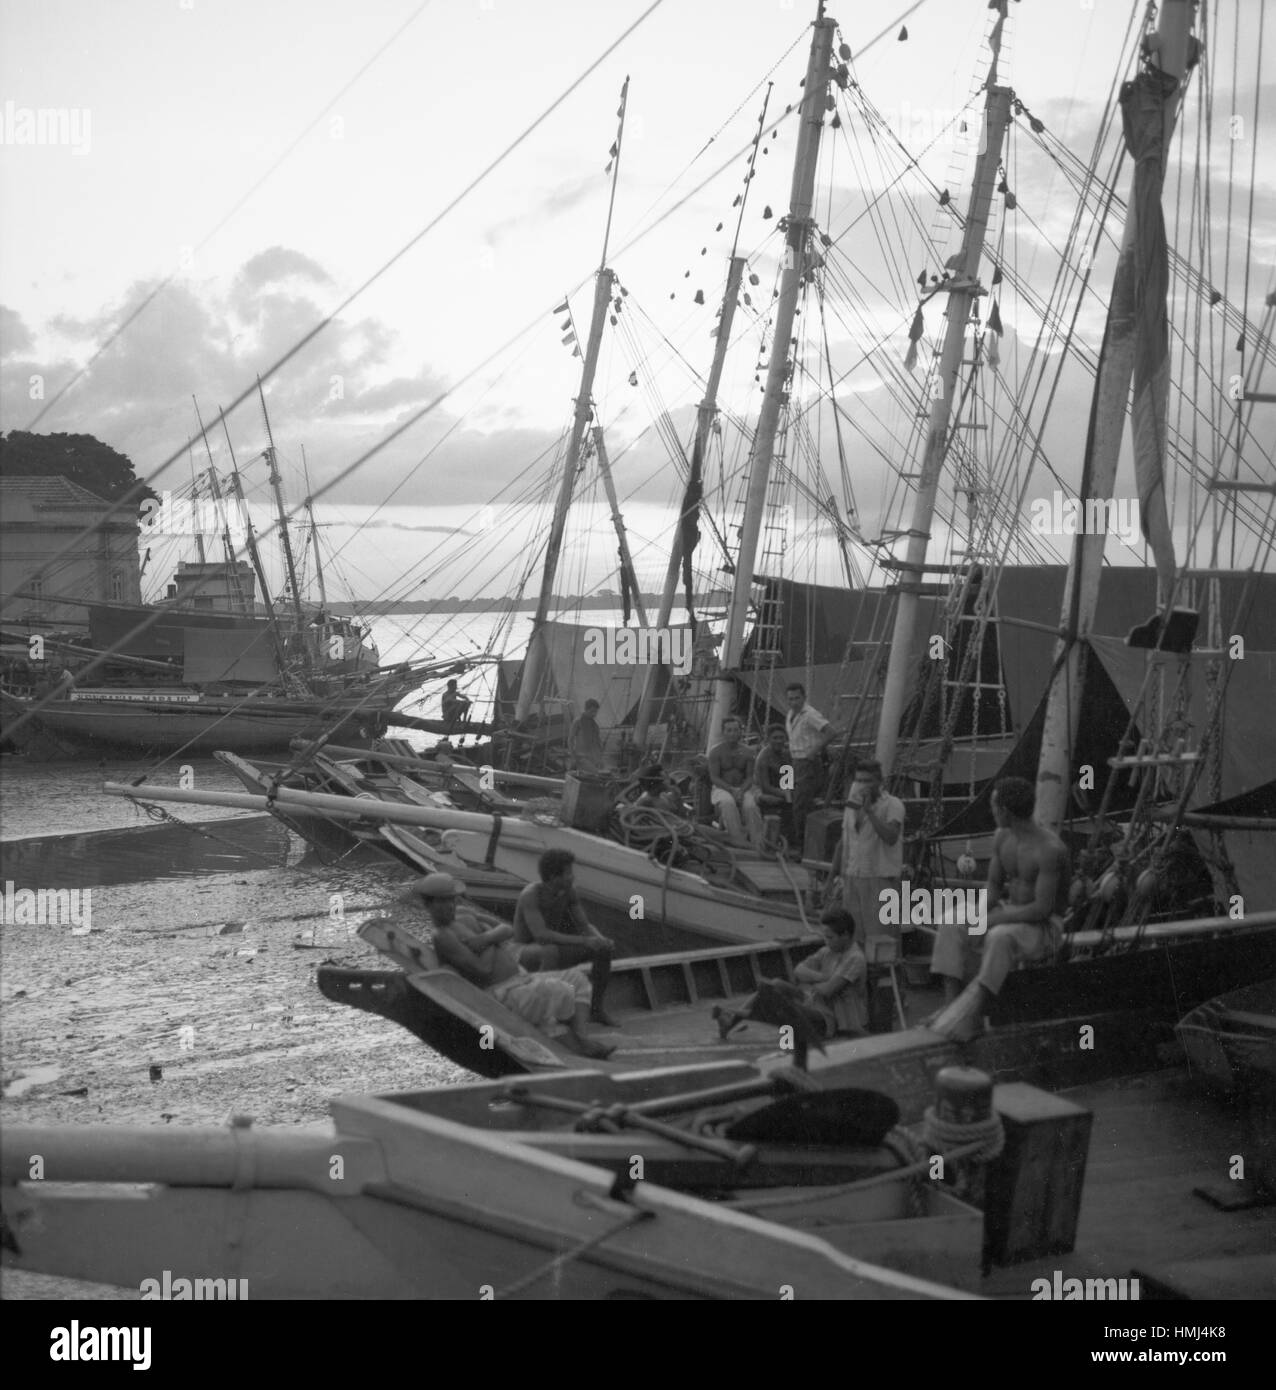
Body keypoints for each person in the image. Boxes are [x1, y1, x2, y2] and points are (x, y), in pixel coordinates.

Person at [415, 873, 615, 1059]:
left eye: (451, 899)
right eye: (442, 901)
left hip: (522, 979)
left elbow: (506, 929)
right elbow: (482, 969)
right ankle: (576, 1045)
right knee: (559, 990)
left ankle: (582, 1040)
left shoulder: (464, 913)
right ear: (429, 904)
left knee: (577, 980)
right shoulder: (443, 936)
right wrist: (493, 939)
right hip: (502, 993)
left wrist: (486, 937)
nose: (449, 905)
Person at [928, 777, 1068, 1041]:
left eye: (993, 807)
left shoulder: (1050, 850)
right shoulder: (1002, 837)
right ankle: (950, 1007)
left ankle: (973, 1016)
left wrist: (993, 920)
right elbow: (993, 886)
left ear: (1005, 810)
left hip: (1045, 927)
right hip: (1010, 912)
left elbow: (1042, 909)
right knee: (952, 920)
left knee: (999, 936)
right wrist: (980, 914)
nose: (991, 812)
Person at [712, 909, 867, 1050]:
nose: (826, 941)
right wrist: (823, 977)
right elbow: (799, 970)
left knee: (786, 1007)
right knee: (774, 985)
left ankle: (733, 1013)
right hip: (812, 1001)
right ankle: (730, 1021)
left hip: (830, 1021)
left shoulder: (855, 958)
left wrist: (812, 981)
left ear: (845, 935)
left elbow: (827, 991)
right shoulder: (828, 951)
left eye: (830, 937)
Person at [512, 849, 617, 1026]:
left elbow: (585, 925)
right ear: (554, 877)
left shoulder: (569, 892)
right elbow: (542, 935)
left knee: (603, 950)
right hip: (522, 951)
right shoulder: (530, 895)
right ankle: (545, 1012)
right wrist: (584, 941)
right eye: (569, 873)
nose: (572, 877)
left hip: (550, 946)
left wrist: (600, 939)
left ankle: (597, 1009)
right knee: (550, 951)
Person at [828, 758, 906, 949]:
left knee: (882, 938)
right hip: (853, 878)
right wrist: (831, 878)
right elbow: (843, 842)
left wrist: (870, 812)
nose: (861, 785)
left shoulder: (893, 805)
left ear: (880, 782)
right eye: (859, 780)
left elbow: (891, 837)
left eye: (867, 781)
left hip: (880, 879)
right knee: (854, 939)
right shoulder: (851, 806)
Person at [784, 683, 836, 853]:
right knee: (789, 797)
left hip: (807, 763)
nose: (793, 702)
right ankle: (791, 840)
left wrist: (814, 751)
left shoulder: (810, 714)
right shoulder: (791, 714)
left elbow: (831, 732)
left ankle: (803, 847)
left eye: (797, 698)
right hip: (793, 762)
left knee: (802, 805)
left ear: (804, 697)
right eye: (790, 699)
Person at [706, 716, 762, 847]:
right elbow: (714, 777)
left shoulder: (748, 752)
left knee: (751, 806)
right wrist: (731, 790)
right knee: (727, 803)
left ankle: (758, 842)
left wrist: (741, 791)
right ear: (723, 732)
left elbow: (749, 777)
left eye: (736, 730)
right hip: (721, 788)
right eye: (729, 730)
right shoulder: (715, 752)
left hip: (743, 788)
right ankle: (738, 841)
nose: (732, 733)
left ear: (741, 731)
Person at [568, 698, 605, 773]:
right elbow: (570, 740)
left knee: (604, 772)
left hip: (594, 758)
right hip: (581, 758)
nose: (594, 714)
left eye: (595, 712)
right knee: (596, 773)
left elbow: (598, 742)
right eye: (592, 711)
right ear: (585, 709)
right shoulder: (577, 722)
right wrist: (573, 757)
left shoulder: (595, 725)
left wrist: (600, 758)